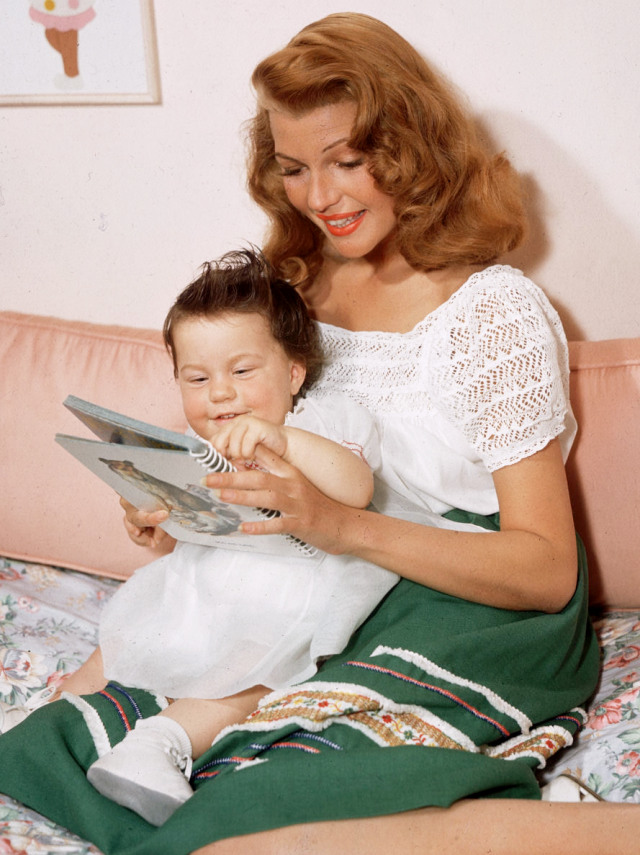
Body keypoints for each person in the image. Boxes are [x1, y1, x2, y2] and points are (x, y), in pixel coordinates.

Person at [0, 12, 636, 855]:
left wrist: (338, 526)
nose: (322, 197)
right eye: (296, 168)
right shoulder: (293, 294)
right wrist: (182, 508)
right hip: (322, 579)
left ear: (411, 151)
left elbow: (548, 570)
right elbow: (272, 459)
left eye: (348, 160)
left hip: (469, 601)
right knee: (58, 751)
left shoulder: (493, 309)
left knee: (249, 814)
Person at [9, 248, 399, 826]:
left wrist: (282, 441)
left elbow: (356, 486)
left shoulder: (322, 421)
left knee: (254, 671)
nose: (220, 393)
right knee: (124, 637)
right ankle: (52, 717)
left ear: (293, 372)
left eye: (242, 372)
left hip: (293, 587)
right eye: (197, 378)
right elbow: (193, 534)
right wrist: (152, 523)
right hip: (205, 580)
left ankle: (158, 744)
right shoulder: (199, 450)